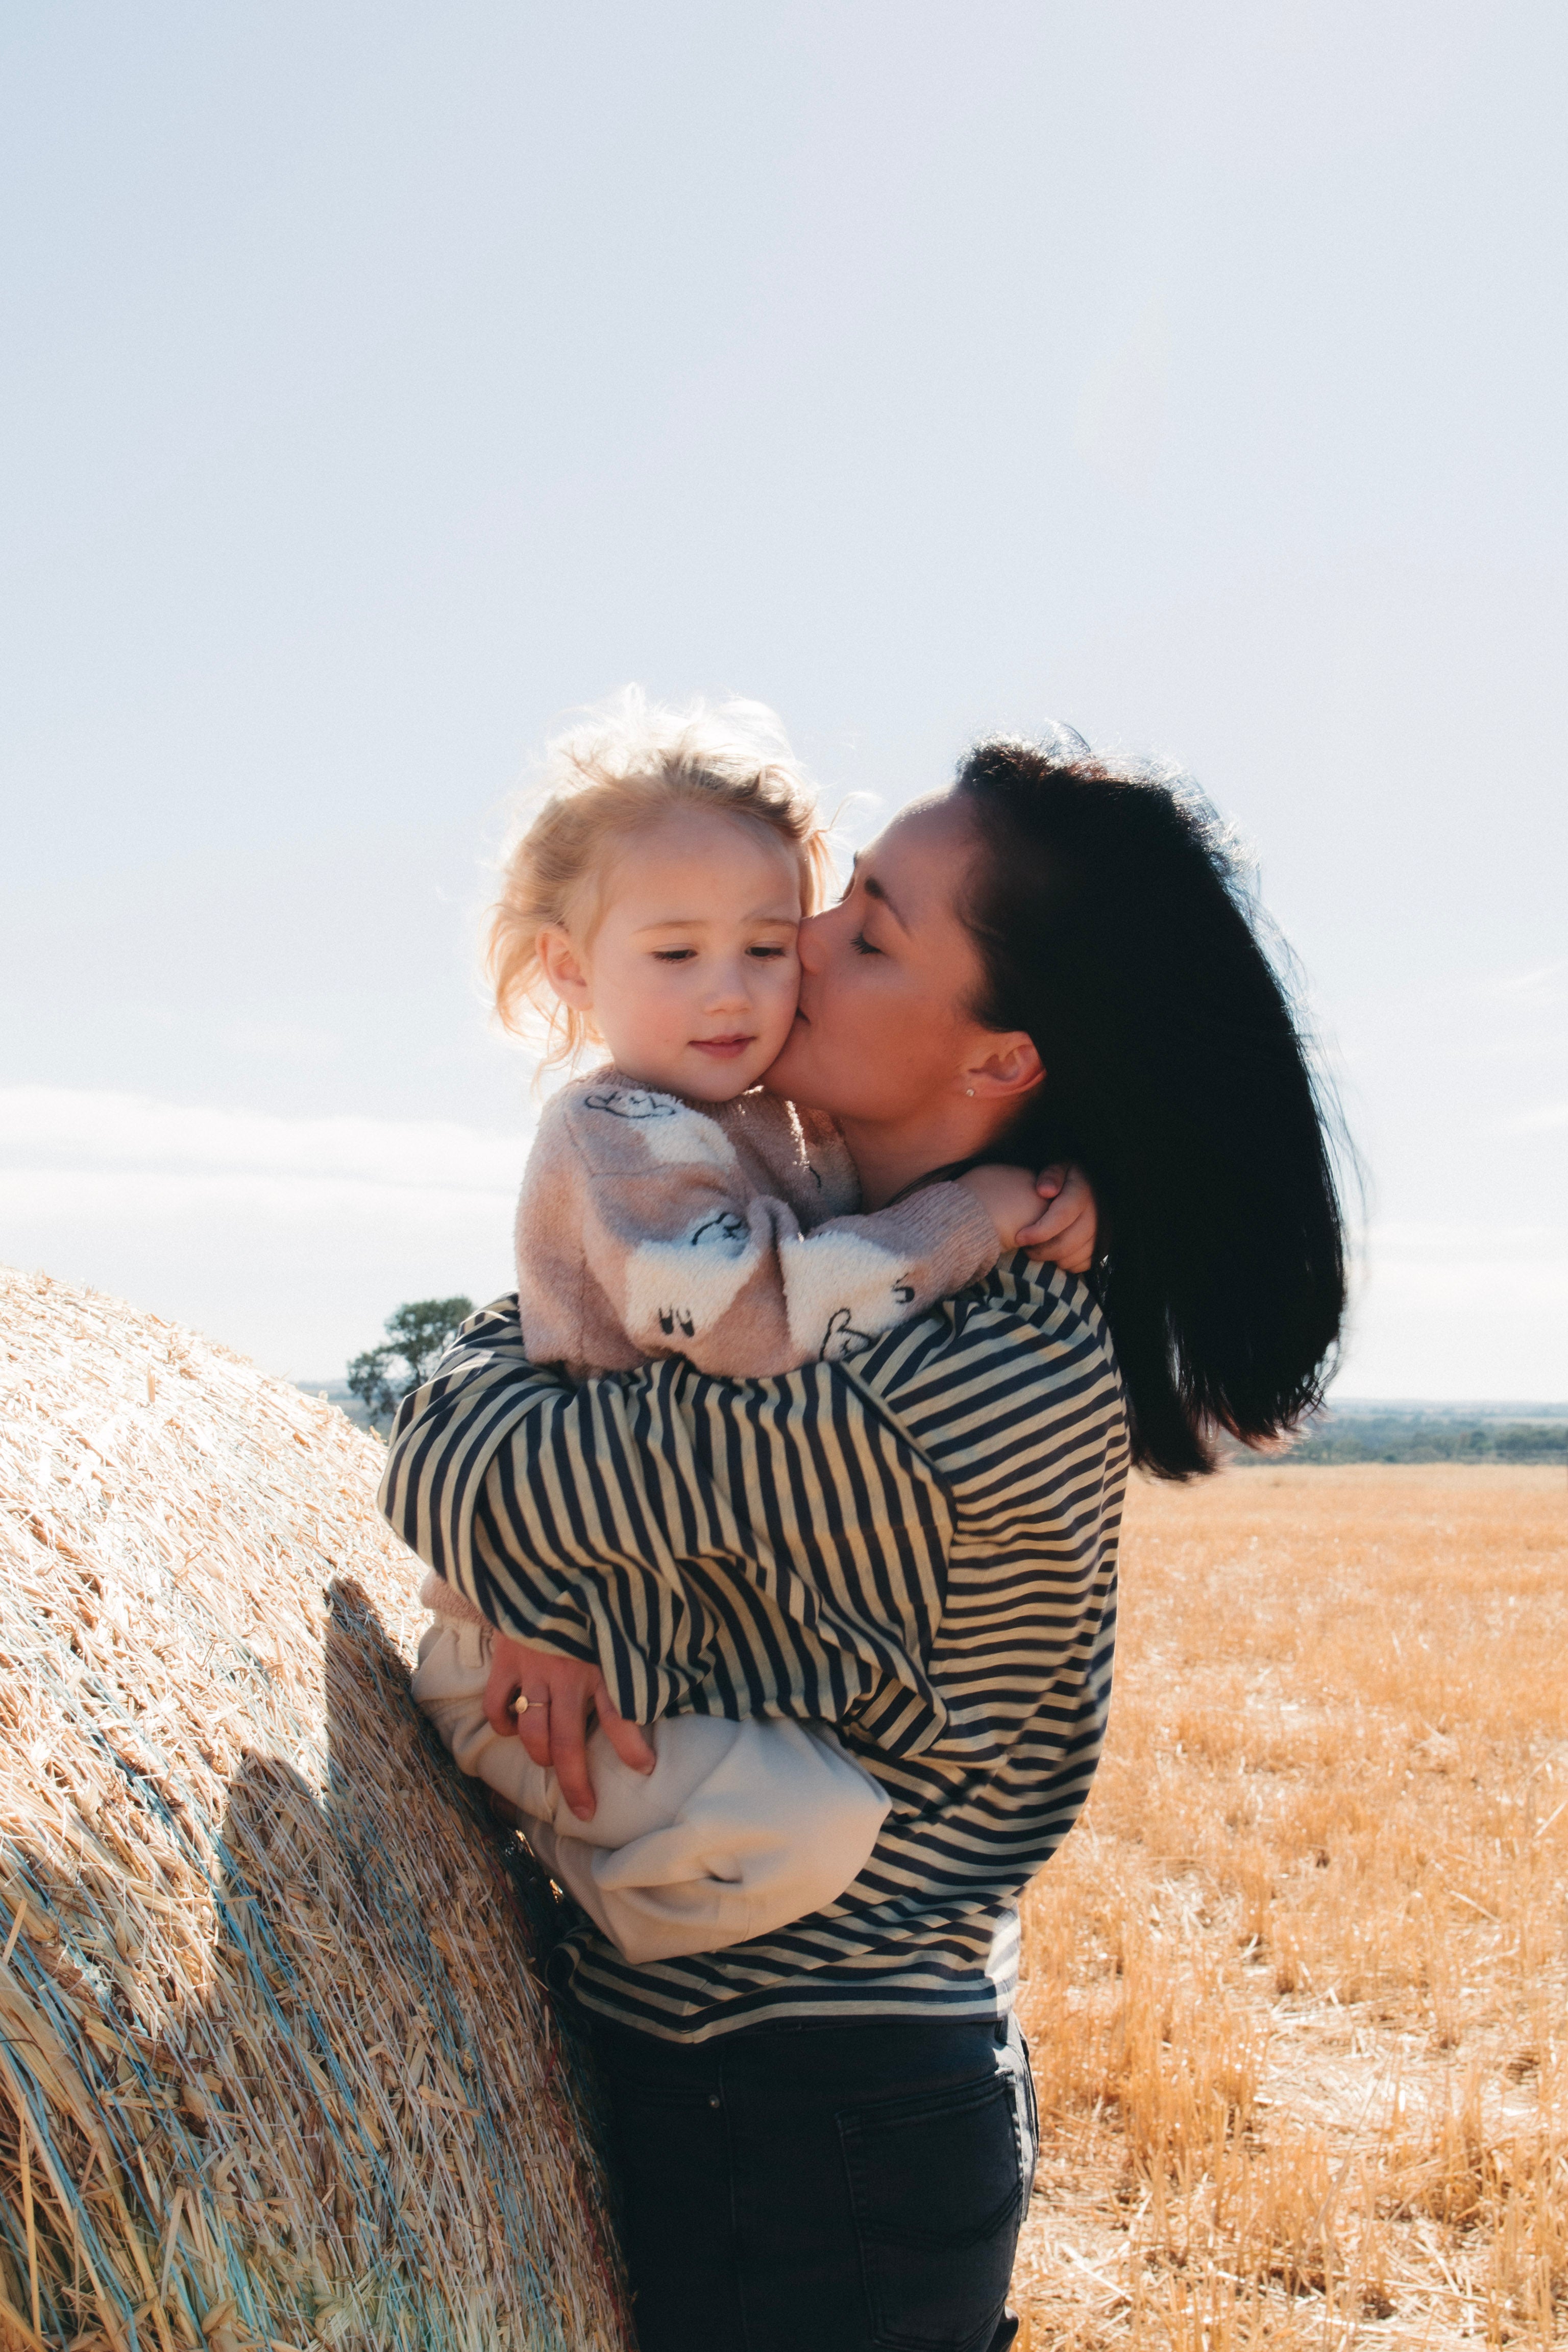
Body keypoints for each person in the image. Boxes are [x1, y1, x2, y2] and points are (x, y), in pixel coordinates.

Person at [382, 721, 1346, 2352]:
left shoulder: (959, 1382)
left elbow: (469, 1464)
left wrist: (501, 1482)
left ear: (1000, 1064)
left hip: (810, 2124)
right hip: (783, 2090)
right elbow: (546, 1388)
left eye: (869, 929)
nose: (797, 942)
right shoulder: (844, 1251)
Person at [411, 695, 1096, 1966]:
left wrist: (1074, 1205)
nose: (732, 995)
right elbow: (757, 1319)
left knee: (813, 1819)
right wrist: (979, 1215)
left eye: (769, 947)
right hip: (520, 1654)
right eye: (675, 957)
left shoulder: (785, 1134)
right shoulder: (619, 1133)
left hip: (614, 1642)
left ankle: (578, 1914)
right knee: (805, 1821)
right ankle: (553, 1891)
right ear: (573, 969)